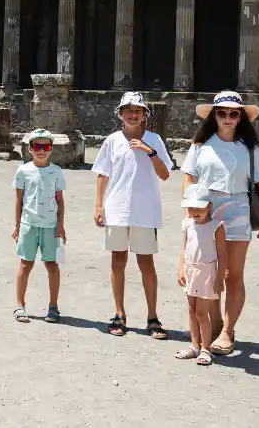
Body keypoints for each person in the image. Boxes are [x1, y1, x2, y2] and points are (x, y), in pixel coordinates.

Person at [179, 90, 259, 355]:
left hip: (237, 212)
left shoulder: (252, 148)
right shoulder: (200, 145)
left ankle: (227, 331)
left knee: (233, 274)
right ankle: (217, 322)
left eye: (233, 113)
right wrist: (191, 210)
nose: (227, 117)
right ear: (214, 115)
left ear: (241, 117)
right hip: (207, 211)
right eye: (222, 112)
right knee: (211, 271)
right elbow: (189, 180)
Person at [93, 92, 174, 339]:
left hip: (145, 211)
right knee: (117, 262)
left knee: (146, 263)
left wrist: (149, 151)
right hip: (117, 208)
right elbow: (103, 174)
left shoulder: (155, 140)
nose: (132, 114)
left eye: (137, 110)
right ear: (120, 114)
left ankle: (152, 317)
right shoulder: (112, 140)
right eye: (128, 110)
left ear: (144, 115)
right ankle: (119, 314)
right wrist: (99, 206)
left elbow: (165, 174)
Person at [12, 129, 67, 323]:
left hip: (51, 226)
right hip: (29, 224)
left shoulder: (56, 171)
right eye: (37, 146)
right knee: (25, 264)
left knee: (52, 265)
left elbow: (60, 200)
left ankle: (53, 307)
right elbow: (18, 201)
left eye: (46, 147)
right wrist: (17, 226)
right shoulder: (23, 171)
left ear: (51, 149)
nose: (41, 150)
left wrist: (61, 225)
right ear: (30, 149)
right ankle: (20, 305)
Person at [173, 194, 224, 365]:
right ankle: (195, 346)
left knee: (202, 312)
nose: (195, 212)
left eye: (199, 208)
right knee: (191, 310)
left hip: (207, 272)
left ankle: (205, 348)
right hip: (190, 270)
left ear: (209, 205)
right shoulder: (187, 224)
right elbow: (184, 248)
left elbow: (222, 255)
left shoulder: (216, 227)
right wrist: (181, 268)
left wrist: (220, 277)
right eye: (191, 208)